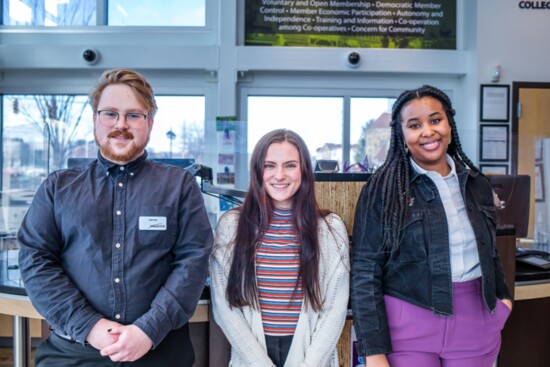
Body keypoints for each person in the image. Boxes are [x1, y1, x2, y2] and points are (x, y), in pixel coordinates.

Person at [17, 68, 213, 367]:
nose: (121, 125)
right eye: (110, 114)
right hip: (75, 352)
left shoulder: (179, 186)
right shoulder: (58, 187)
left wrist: (148, 329)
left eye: (134, 115)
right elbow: (36, 260)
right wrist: (89, 326)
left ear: (150, 122)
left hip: (159, 351)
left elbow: (193, 262)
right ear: (95, 119)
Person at [351, 85, 513, 367]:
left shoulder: (478, 185)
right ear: (402, 134)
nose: (427, 131)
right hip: (407, 326)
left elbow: (491, 252)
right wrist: (373, 351)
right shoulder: (383, 189)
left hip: (475, 325)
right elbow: (365, 271)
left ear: (449, 123)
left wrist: (503, 303)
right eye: (415, 125)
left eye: (435, 120)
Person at [210, 129, 350, 367]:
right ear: (257, 171)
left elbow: (335, 309)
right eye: (269, 166)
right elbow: (224, 307)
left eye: (290, 165)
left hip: (312, 357)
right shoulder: (231, 226)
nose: (280, 175)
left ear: (304, 170)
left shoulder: (330, 229)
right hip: (250, 357)